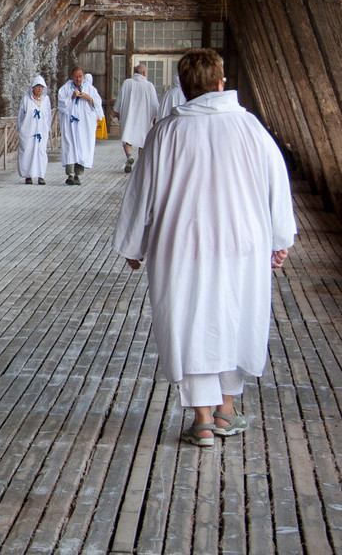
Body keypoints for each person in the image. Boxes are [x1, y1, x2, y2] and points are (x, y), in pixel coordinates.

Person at [112, 48, 296, 448]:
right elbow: (276, 185)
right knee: (234, 314)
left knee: (190, 321)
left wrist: (133, 245)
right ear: (220, 83)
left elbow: (141, 194)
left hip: (182, 245)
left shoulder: (165, 134)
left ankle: (203, 419)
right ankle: (227, 409)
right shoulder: (250, 129)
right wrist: (280, 240)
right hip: (242, 244)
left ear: (183, 86)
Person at [57, 67, 101, 185]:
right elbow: (61, 105)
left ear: (83, 76)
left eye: (80, 76)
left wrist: (89, 98)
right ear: (72, 77)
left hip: (84, 126)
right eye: (76, 76)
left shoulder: (90, 89)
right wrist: (71, 97)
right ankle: (70, 174)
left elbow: (98, 105)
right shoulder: (65, 89)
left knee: (82, 148)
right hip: (70, 125)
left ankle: (78, 175)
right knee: (70, 147)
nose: (78, 79)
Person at [113, 64, 160, 173]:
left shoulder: (127, 83)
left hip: (129, 115)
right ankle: (141, 163)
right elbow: (154, 104)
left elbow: (120, 98)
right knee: (143, 139)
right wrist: (155, 117)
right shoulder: (149, 86)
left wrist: (117, 111)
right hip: (144, 117)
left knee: (127, 136)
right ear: (144, 73)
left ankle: (129, 156)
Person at [16, 75, 50, 184]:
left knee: (41, 152)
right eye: (37, 86)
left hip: (41, 131)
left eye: (41, 87)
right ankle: (28, 175)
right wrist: (20, 128)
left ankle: (41, 175)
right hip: (28, 130)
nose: (39, 89)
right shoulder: (26, 99)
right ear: (33, 87)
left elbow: (48, 115)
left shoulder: (46, 100)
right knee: (27, 151)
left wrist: (47, 128)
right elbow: (21, 115)